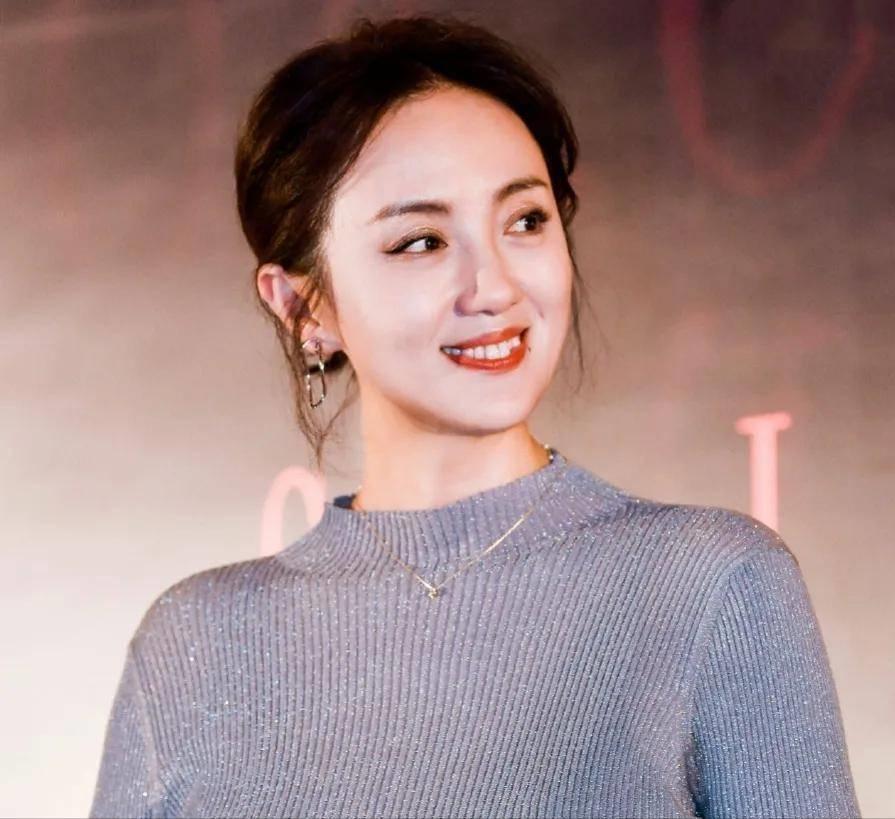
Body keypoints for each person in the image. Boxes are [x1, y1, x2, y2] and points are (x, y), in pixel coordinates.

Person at [89, 13, 860, 819]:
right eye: (421, 241)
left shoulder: (711, 584)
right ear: (302, 306)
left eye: (524, 221)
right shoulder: (192, 645)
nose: (493, 286)